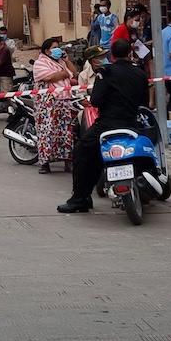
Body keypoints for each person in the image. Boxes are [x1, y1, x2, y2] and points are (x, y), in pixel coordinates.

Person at [60, 38, 148, 213]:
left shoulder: (105, 72)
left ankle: (79, 199)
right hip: (131, 124)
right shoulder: (140, 73)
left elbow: (96, 100)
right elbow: (144, 101)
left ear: (112, 55)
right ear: (130, 53)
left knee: (82, 152)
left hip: (108, 125)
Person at [32, 37, 78, 174]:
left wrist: (66, 61)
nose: (58, 50)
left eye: (58, 47)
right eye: (54, 48)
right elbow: (49, 78)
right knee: (47, 132)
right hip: (47, 104)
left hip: (63, 101)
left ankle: (68, 162)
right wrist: (63, 73)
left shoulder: (60, 62)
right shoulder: (40, 63)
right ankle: (45, 163)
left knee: (65, 132)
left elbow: (73, 73)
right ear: (47, 51)